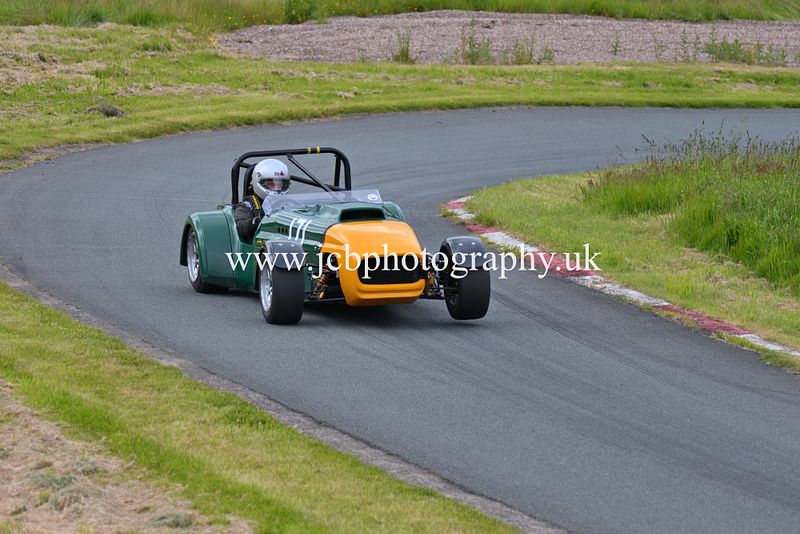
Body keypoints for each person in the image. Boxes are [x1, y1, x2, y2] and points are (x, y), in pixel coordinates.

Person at [234, 158, 291, 241]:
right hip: (259, 248)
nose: (276, 188)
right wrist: (260, 218)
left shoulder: (290, 204)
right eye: (271, 184)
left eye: (280, 184)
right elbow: (242, 228)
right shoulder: (247, 206)